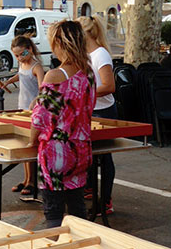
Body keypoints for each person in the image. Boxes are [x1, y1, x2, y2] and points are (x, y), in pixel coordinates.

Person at [30, 20, 95, 228]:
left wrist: (31, 141)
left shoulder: (55, 76)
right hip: (81, 150)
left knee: (54, 212)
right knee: (77, 208)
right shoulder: (89, 73)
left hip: (56, 153)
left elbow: (40, 119)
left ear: (59, 42)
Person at [77, 15, 117, 214]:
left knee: (104, 157)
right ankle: (91, 188)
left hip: (103, 110)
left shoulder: (100, 54)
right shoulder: (83, 55)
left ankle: (106, 200)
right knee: (90, 154)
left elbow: (109, 86)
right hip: (90, 109)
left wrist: (84, 92)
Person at [1, 35, 44, 197]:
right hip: (22, 108)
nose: (19, 58)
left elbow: (43, 87)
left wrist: (36, 101)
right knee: (25, 145)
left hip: (33, 111)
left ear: (30, 49)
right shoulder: (22, 64)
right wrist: (8, 81)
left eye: (21, 54)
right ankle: (26, 179)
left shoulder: (37, 66)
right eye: (16, 55)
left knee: (31, 147)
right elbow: (21, 75)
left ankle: (33, 181)